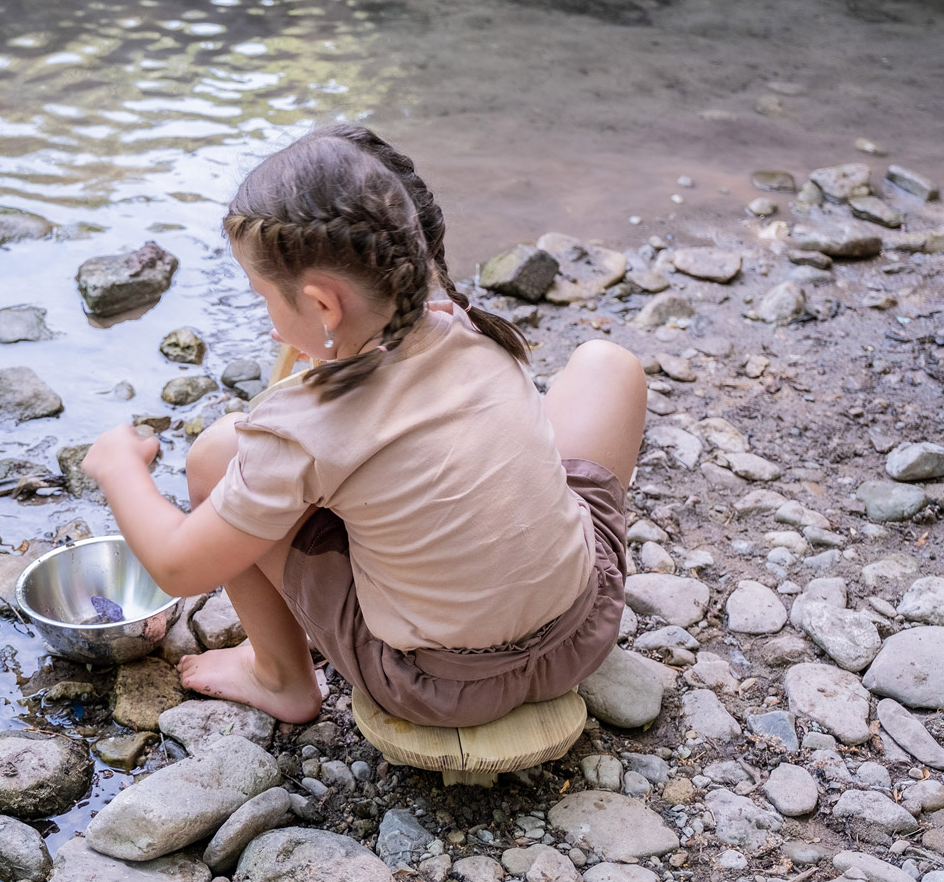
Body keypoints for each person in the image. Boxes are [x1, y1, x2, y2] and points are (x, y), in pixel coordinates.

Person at [80, 124, 646, 727]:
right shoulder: (470, 325)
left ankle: (281, 677)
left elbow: (177, 567)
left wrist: (118, 468)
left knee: (218, 454)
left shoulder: (300, 425)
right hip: (585, 628)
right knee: (607, 365)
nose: (270, 322)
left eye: (264, 296)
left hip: (438, 686)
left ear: (325, 306)